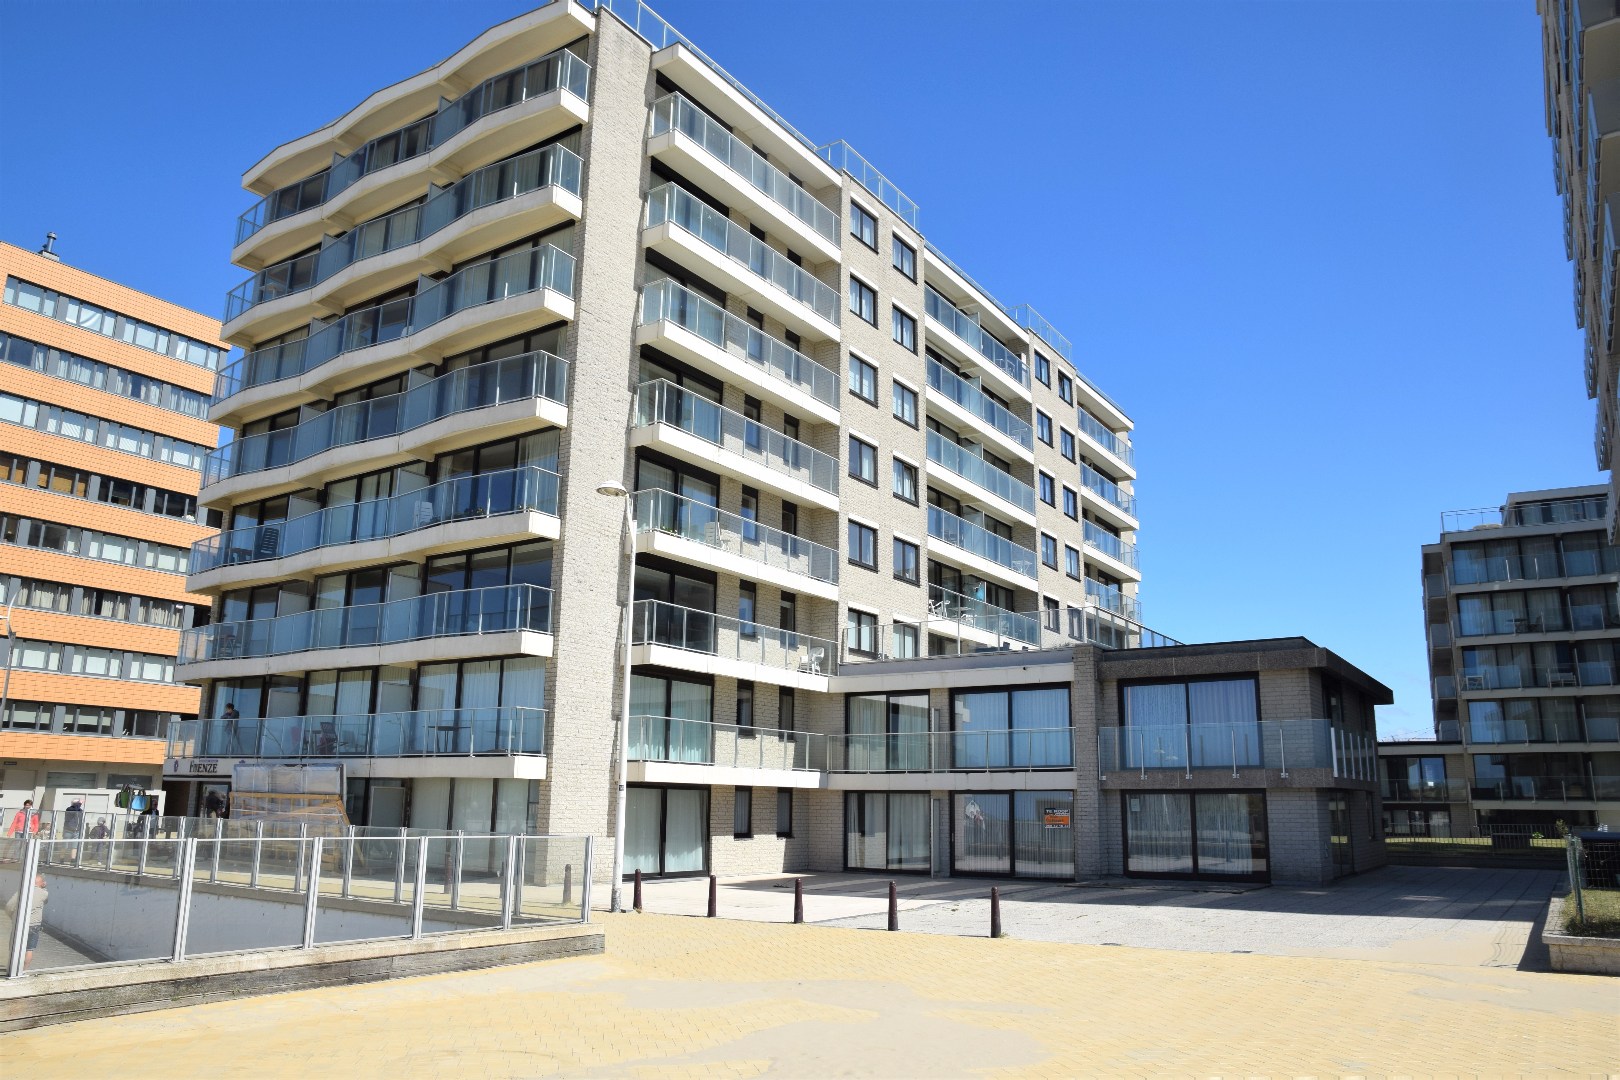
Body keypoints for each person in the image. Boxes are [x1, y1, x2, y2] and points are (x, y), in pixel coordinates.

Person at [4, 873, 48, 970]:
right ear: (41, 883)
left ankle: (12, 969)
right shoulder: (44, 893)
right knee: (29, 949)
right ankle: (24, 970)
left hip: (20, 924)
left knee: (14, 947)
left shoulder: (22, 891)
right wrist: (44, 887)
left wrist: (13, 917)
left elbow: (9, 906)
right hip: (34, 925)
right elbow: (45, 900)